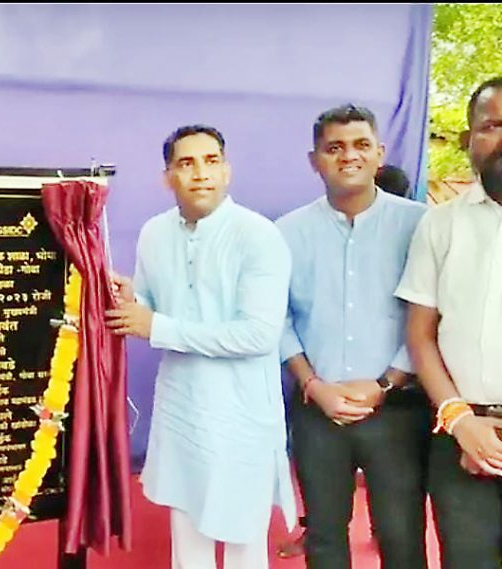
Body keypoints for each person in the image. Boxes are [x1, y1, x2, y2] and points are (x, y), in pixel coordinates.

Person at [107, 124, 294, 569]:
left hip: (241, 413)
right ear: (167, 177)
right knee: (187, 539)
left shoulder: (258, 235)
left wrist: (157, 325)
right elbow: (153, 305)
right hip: (184, 409)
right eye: (186, 163)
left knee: (243, 543)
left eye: (211, 162)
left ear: (227, 171)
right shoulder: (155, 233)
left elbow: (258, 334)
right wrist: (133, 301)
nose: (200, 174)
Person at [277, 104, 430, 569]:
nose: (349, 156)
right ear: (315, 160)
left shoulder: (421, 224)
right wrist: (313, 384)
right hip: (317, 408)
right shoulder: (286, 232)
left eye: (361, 145)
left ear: (379, 153)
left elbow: (432, 313)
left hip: (398, 408)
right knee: (324, 536)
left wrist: (386, 383)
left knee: (402, 536)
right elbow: (278, 319)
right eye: (335, 147)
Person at [396, 75, 502, 569]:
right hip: (462, 435)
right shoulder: (440, 224)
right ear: (467, 139)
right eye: (492, 126)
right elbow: (420, 335)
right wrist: (461, 422)